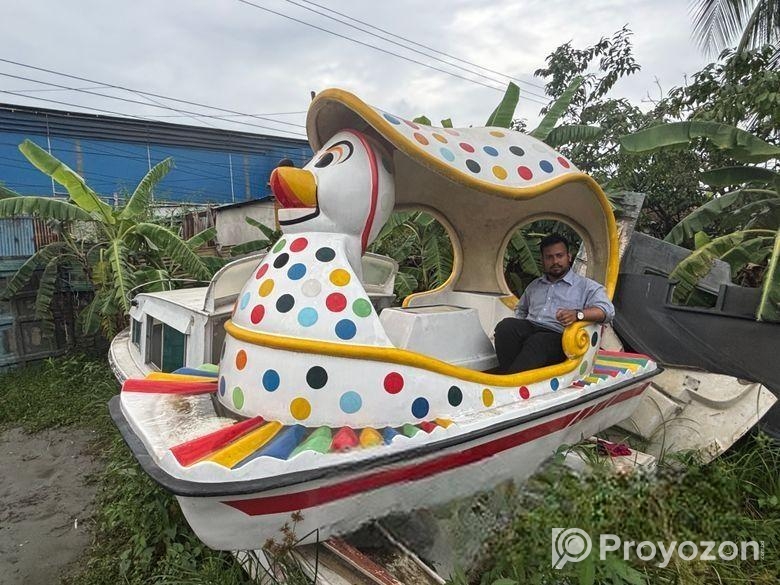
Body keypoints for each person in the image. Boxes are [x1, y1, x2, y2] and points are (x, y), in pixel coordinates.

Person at [493, 233, 614, 374]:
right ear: (543, 260)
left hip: (561, 336)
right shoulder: (535, 286)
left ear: (568, 257)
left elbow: (607, 311)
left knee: (538, 341)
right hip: (532, 328)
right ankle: (509, 376)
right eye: (549, 257)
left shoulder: (586, 286)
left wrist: (577, 315)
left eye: (559, 256)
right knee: (505, 327)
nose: (555, 261)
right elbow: (521, 310)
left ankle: (510, 381)